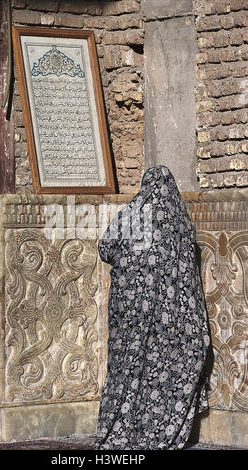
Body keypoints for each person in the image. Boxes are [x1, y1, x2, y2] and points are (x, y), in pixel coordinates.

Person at [94, 165, 211, 450]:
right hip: (168, 318)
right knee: (162, 369)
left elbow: (105, 247)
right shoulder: (179, 222)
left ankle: (121, 430)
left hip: (130, 319)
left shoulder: (132, 216)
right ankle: (159, 431)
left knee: (128, 370)